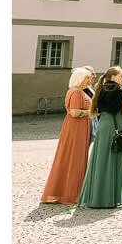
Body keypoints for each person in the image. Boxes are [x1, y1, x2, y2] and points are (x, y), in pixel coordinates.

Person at [79, 66, 122, 208]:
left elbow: (97, 109)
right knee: (113, 160)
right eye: (121, 75)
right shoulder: (119, 91)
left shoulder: (101, 89)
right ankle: (109, 198)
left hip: (103, 125)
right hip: (114, 127)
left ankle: (96, 197)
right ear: (114, 77)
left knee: (100, 160)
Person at [41, 67, 93, 205]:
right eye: (87, 78)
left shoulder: (79, 91)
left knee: (76, 157)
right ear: (80, 78)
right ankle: (70, 193)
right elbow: (74, 113)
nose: (89, 80)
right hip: (76, 128)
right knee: (73, 158)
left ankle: (73, 191)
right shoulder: (76, 92)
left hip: (80, 127)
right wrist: (91, 112)